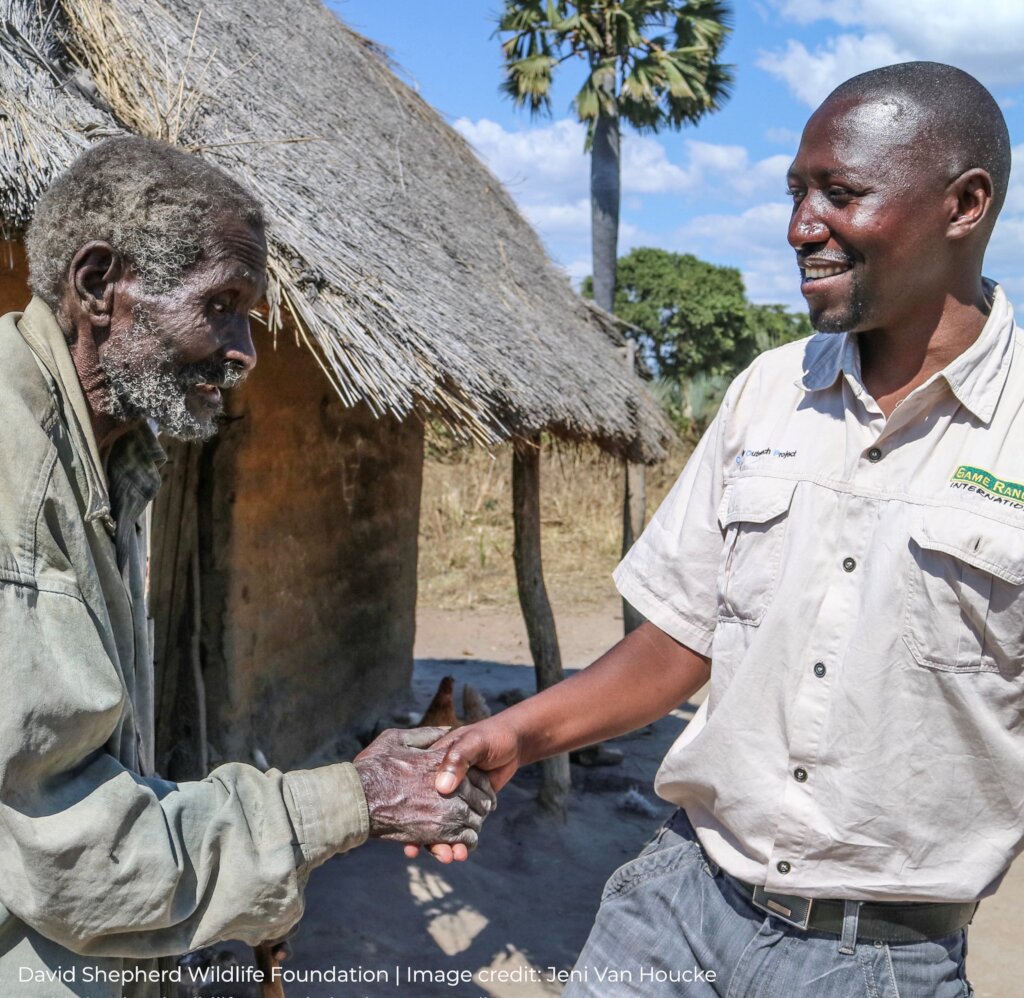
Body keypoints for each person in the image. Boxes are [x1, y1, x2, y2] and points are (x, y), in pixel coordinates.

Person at [427, 61, 1016, 995]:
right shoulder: (769, 393)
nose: (800, 227)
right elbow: (678, 642)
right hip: (673, 905)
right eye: (795, 193)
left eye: (841, 193)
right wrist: (519, 737)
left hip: (877, 962)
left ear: (964, 204)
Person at [0, 136, 493, 997]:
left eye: (249, 315)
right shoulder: (17, 485)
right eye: (221, 304)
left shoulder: (106, 458)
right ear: (95, 286)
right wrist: (354, 801)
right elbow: (73, 847)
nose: (244, 352)